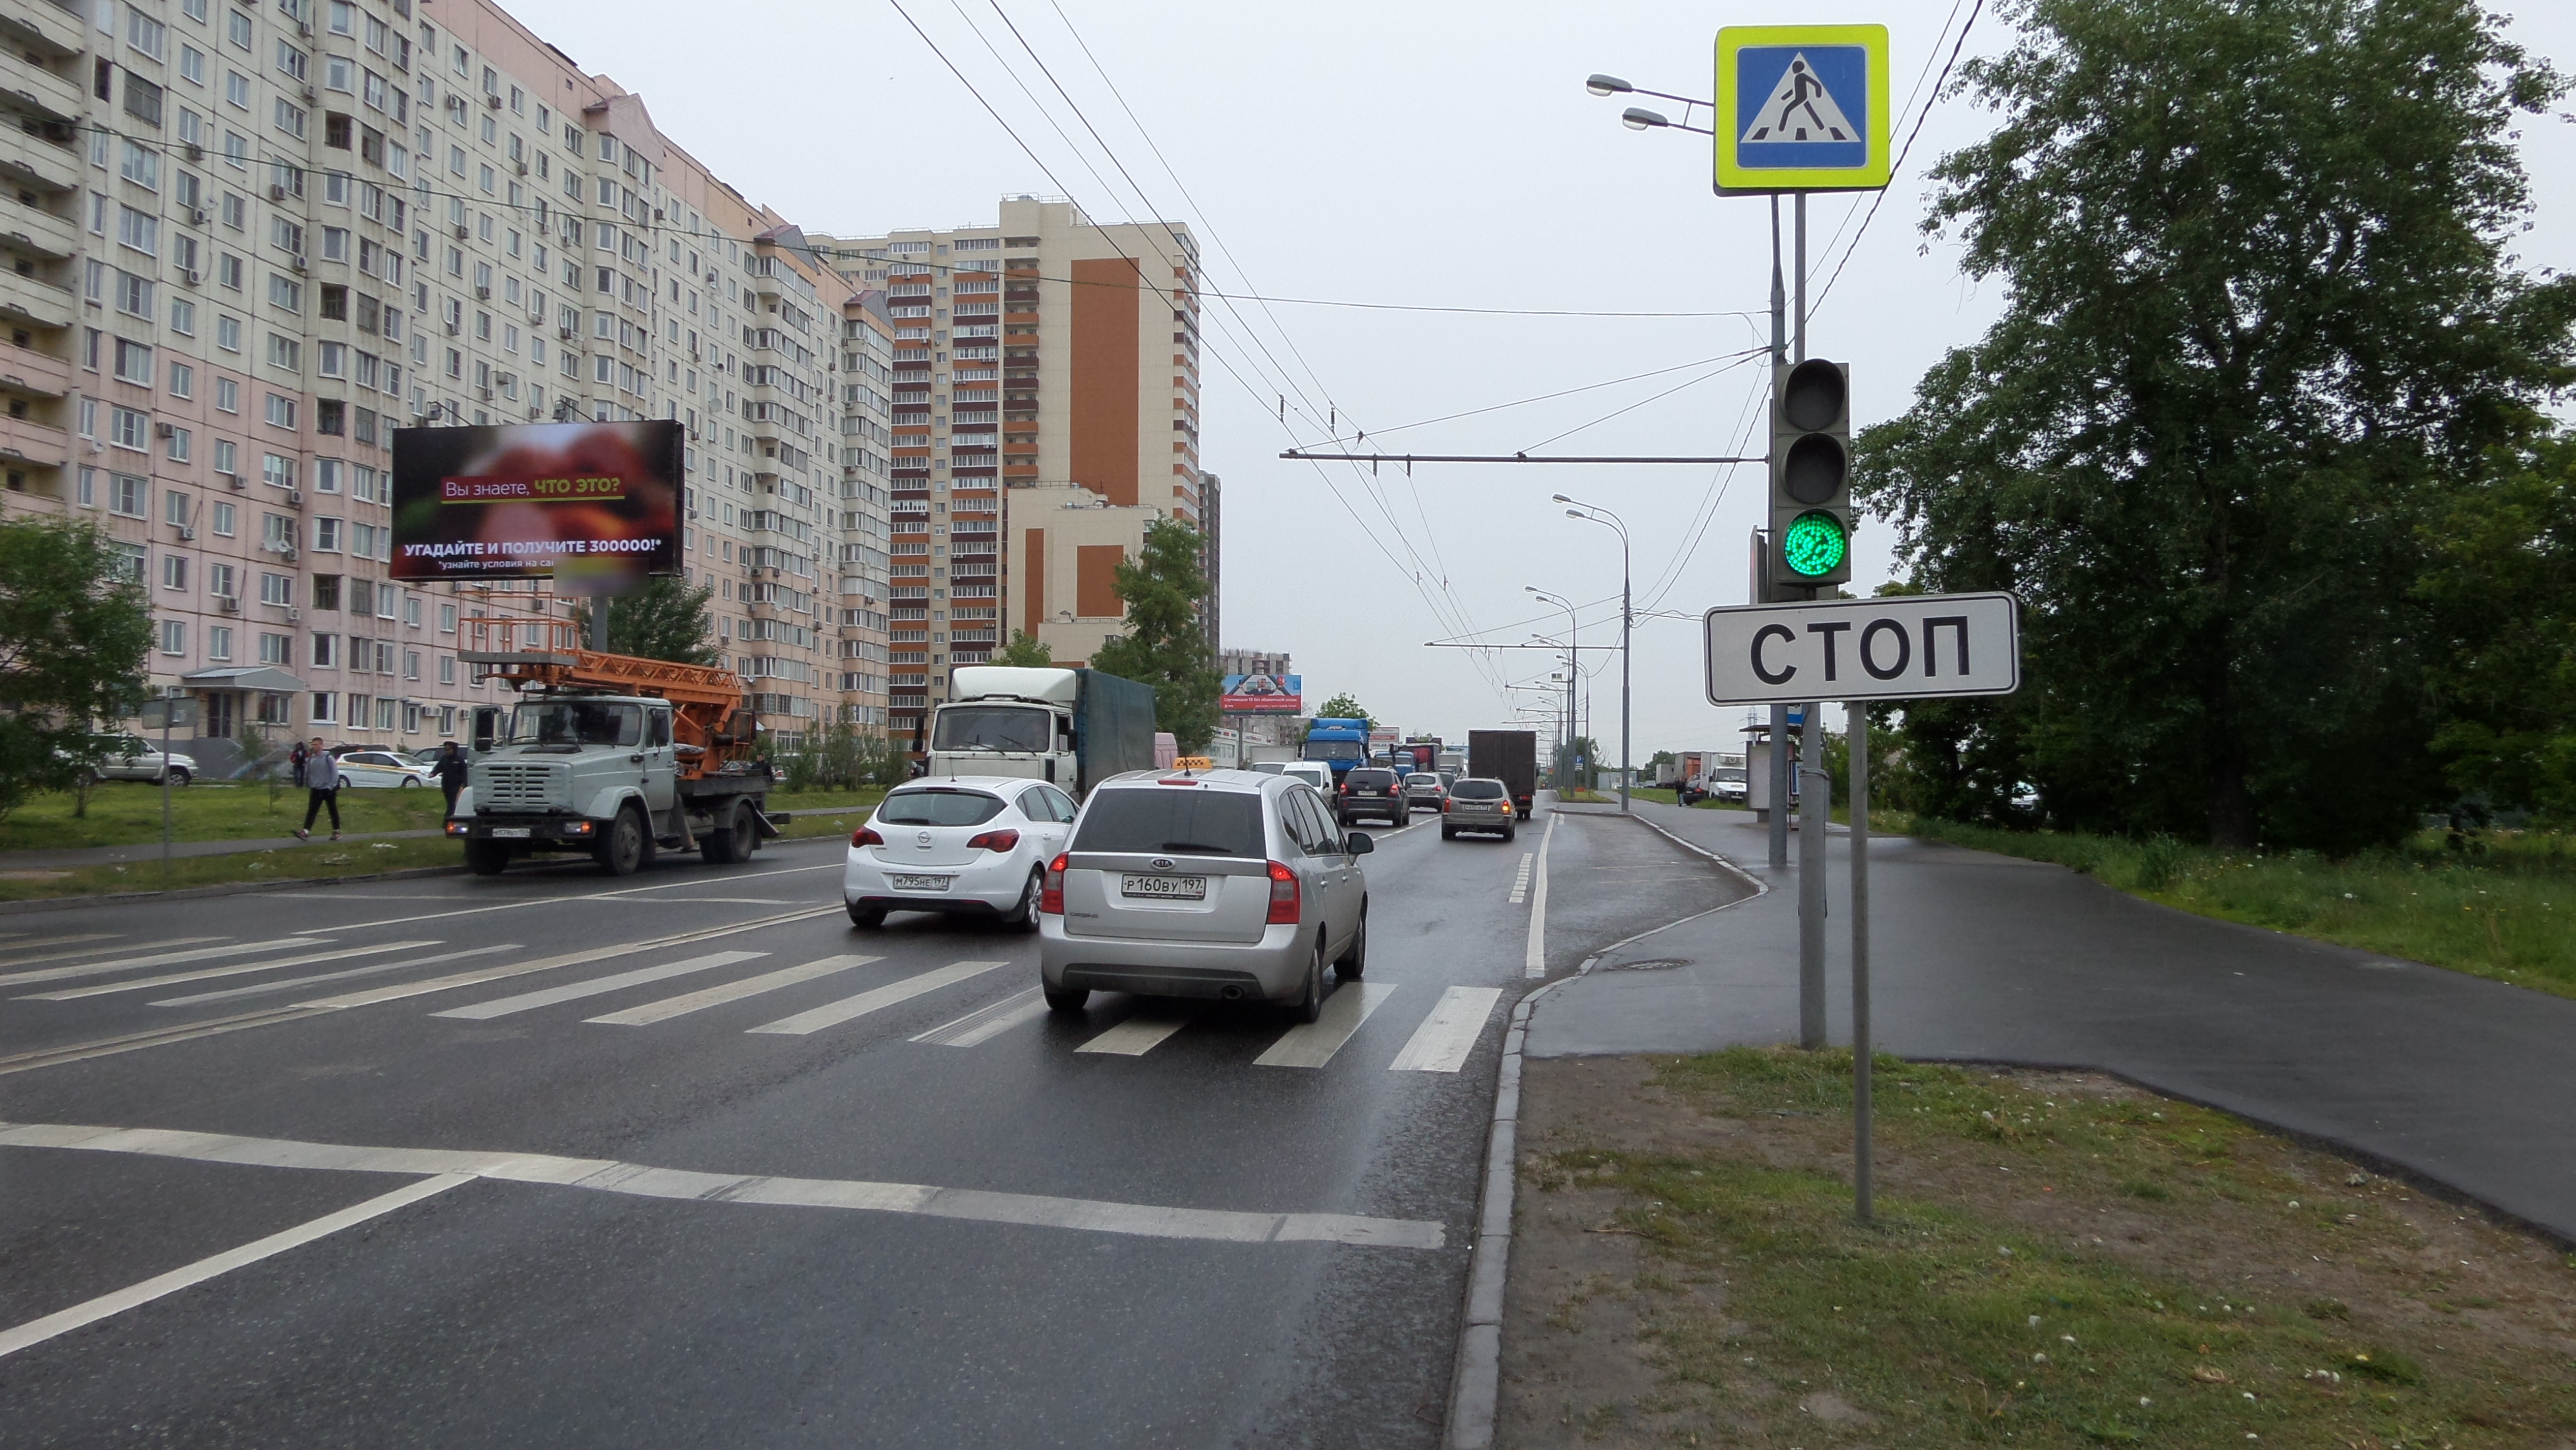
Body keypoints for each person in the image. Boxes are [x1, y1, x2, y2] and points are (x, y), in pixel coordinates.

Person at [295, 739, 342, 841]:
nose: (313, 747)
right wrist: (309, 783)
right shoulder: (312, 758)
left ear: (321, 745)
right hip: (316, 789)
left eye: (315, 745)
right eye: (312, 745)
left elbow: (335, 773)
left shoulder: (328, 758)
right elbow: (310, 772)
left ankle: (336, 831)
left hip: (328, 789)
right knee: (312, 811)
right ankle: (305, 832)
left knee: (332, 810)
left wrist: (331, 786)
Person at [432, 741, 470, 818]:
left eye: (450, 750)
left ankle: (448, 819)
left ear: (454, 750)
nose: (448, 751)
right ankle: (450, 818)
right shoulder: (444, 759)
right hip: (446, 785)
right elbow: (438, 768)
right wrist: (433, 773)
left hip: (455, 785)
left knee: (452, 803)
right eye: (447, 750)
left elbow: (464, 772)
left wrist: (465, 783)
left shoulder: (459, 760)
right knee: (449, 802)